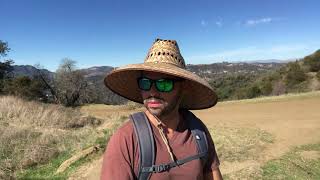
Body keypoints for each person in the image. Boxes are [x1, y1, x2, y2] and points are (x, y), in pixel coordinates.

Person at [101, 38, 222, 180]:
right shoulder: (126, 139)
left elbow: (212, 174)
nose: (152, 92)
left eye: (164, 84)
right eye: (145, 83)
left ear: (183, 88)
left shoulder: (197, 131)